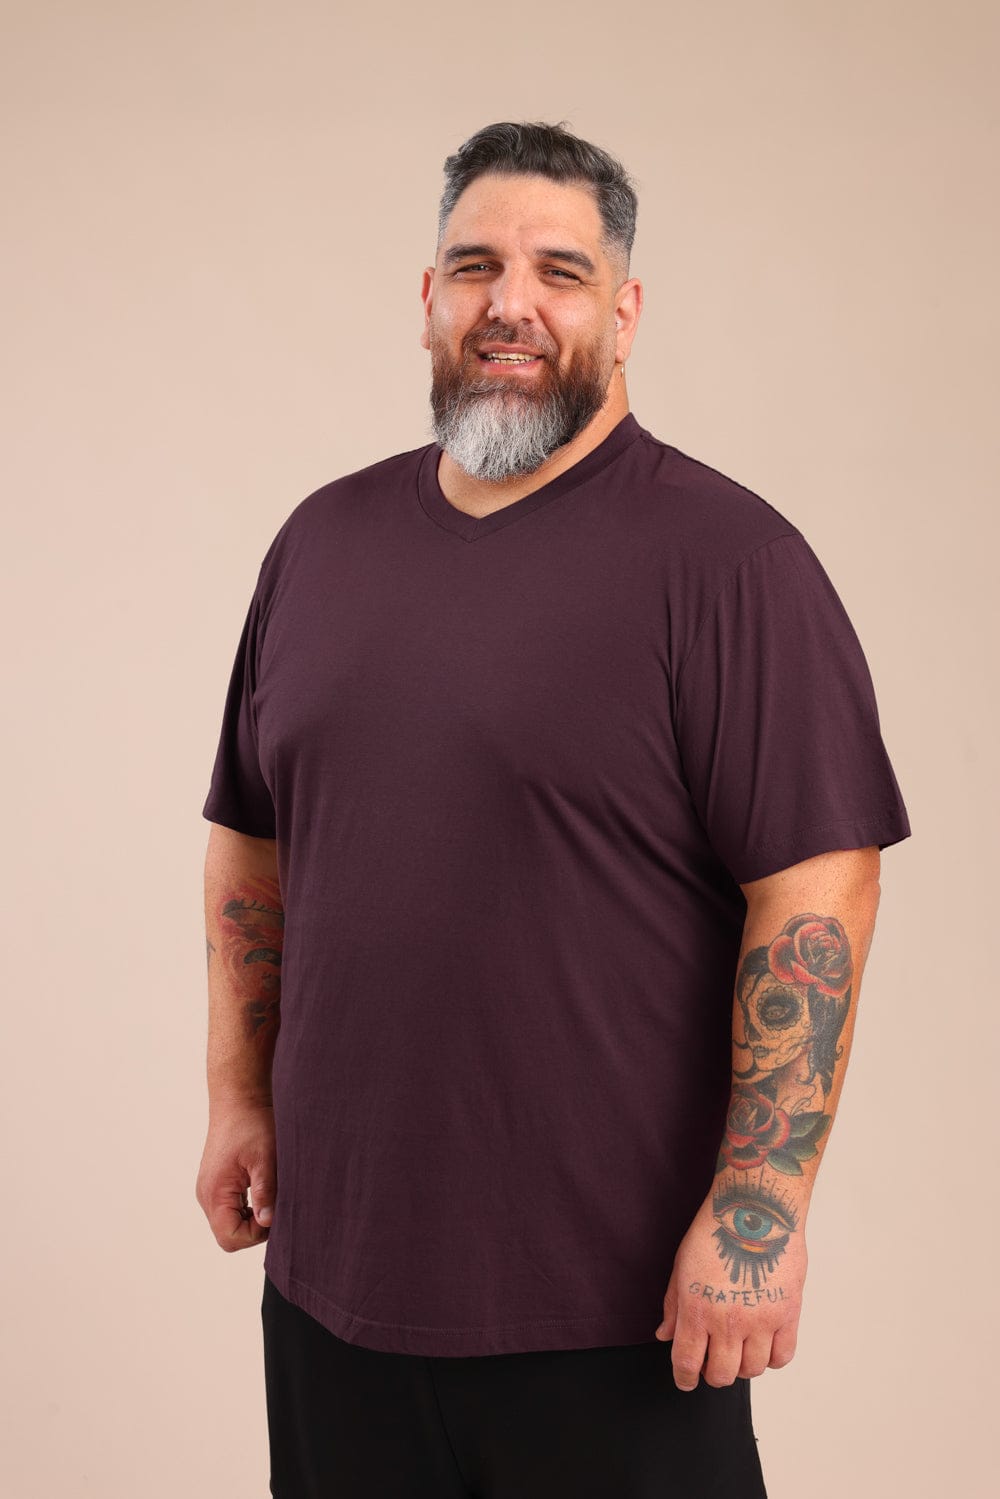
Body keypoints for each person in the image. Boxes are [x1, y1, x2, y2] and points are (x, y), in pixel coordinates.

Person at [196, 120, 910, 1498]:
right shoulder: (319, 545)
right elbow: (251, 834)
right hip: (332, 1292)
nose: (509, 303)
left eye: (559, 272)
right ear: (428, 299)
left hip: (614, 1315)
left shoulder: (732, 565)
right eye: (476, 266)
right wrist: (238, 1093)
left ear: (623, 314)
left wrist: (759, 1208)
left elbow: (820, 889)